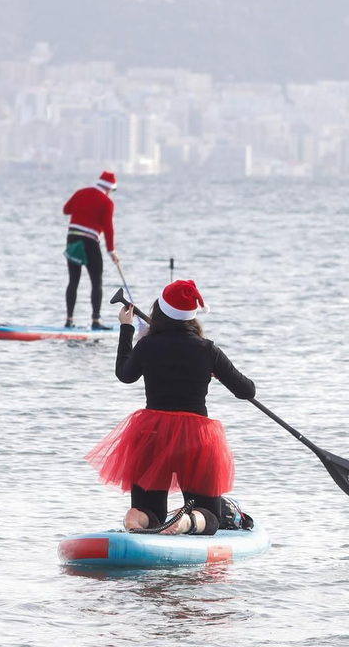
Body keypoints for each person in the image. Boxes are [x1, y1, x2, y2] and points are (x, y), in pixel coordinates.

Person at [85, 279, 257, 535]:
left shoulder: (147, 345)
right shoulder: (208, 350)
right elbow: (247, 391)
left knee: (150, 511)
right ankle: (187, 521)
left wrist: (126, 329)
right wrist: (216, 371)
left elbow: (125, 374)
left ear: (160, 311)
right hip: (196, 439)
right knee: (210, 515)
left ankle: (136, 517)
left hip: (151, 434)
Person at [63, 171, 121, 330]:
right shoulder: (107, 202)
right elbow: (108, 228)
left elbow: (66, 210)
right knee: (96, 281)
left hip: (72, 239)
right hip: (89, 242)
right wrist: (111, 251)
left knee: (73, 280)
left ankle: (69, 320)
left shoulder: (80, 193)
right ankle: (96, 320)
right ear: (109, 188)